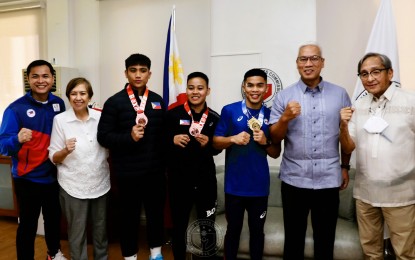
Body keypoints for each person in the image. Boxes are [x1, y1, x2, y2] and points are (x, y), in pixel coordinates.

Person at [269, 43, 351, 260]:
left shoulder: (340, 94)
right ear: (297, 64)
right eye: (303, 59)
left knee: (325, 240)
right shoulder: (284, 97)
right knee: (294, 241)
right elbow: (275, 138)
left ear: (322, 62)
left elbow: (347, 135)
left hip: (328, 179)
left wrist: (345, 166)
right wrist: (285, 118)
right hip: (295, 179)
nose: (308, 63)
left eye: (314, 58)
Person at [339, 52, 415, 259]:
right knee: (371, 253)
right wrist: (343, 126)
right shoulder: (359, 106)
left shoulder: (410, 101)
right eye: (364, 74)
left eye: (375, 72)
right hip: (366, 194)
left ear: (390, 73)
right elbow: (348, 147)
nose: (370, 78)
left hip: (401, 195)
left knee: (406, 254)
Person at [97, 53, 166, 260]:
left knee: (156, 216)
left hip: (155, 173)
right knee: (129, 218)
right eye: (133, 70)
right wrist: (129, 137)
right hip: (128, 173)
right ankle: (130, 257)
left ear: (149, 74)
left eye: (143, 71)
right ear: (126, 73)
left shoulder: (157, 101)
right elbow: (103, 137)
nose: (138, 75)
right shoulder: (114, 102)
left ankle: (156, 253)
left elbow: (163, 136)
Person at [0, 60, 67, 260]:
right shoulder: (16, 109)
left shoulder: (58, 103)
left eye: (45, 76)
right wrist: (17, 139)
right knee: (28, 224)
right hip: (27, 178)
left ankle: (53, 254)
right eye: (35, 76)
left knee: (54, 219)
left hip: (53, 175)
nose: (41, 80)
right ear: (28, 79)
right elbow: (3, 145)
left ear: (52, 79)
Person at [213, 68, 281, 260]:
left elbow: (276, 153)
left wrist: (265, 142)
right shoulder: (230, 110)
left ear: (266, 88)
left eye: (259, 85)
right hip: (234, 186)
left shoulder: (272, 114)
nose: (254, 89)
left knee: (257, 232)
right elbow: (215, 141)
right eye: (250, 85)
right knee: (233, 231)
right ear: (244, 87)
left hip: (259, 187)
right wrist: (232, 139)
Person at [48, 77, 110, 260]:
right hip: (72, 185)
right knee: (76, 234)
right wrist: (66, 150)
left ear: (89, 97)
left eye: (82, 93)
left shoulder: (101, 117)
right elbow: (53, 156)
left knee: (100, 232)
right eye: (73, 94)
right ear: (68, 96)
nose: (78, 98)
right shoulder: (60, 120)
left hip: (100, 183)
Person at [165, 72, 221, 259]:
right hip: (179, 182)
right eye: (191, 88)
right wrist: (171, 140)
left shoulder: (214, 118)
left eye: (200, 88)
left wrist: (210, 143)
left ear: (208, 91)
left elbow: (218, 149)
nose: (195, 92)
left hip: (206, 182)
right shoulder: (173, 115)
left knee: (207, 227)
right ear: (186, 89)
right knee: (179, 227)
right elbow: (158, 144)